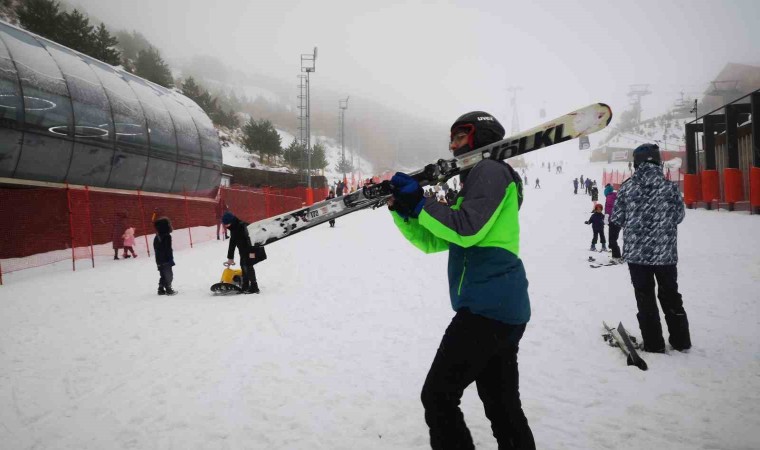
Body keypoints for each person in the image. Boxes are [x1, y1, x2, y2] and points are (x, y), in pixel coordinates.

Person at [387, 111, 534, 449]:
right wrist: (404, 211)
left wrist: (420, 203)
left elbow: (466, 229)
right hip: (500, 308)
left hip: (488, 309)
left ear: (481, 136)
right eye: (451, 139)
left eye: (460, 136)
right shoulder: (477, 183)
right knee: (502, 405)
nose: (453, 146)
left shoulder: (490, 170)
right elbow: (434, 240)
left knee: (438, 396)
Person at [611, 143, 691, 353]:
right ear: (658, 161)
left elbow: (617, 218)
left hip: (637, 258)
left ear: (636, 163)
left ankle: (654, 344)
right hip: (666, 255)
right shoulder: (670, 187)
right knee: (671, 295)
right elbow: (679, 217)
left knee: (645, 298)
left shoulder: (627, 188)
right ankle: (681, 340)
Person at [222, 211, 262, 294]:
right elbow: (232, 243)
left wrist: (252, 251)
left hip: (251, 250)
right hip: (243, 252)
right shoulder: (234, 228)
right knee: (243, 266)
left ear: (231, 221)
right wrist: (230, 258)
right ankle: (245, 285)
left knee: (248, 266)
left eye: (226, 224)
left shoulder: (243, 226)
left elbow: (253, 237)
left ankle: (254, 287)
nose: (225, 226)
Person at [153, 216, 177, 295]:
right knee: (169, 275)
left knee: (163, 275)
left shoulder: (157, 237)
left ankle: (160, 289)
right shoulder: (167, 236)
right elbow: (168, 249)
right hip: (166, 260)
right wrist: (170, 259)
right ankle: (168, 289)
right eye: (169, 224)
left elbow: (157, 249)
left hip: (159, 260)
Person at [604, 184, 622, 262]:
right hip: (617, 221)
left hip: (613, 221)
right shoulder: (615, 196)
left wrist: (606, 219)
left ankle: (617, 257)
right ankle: (615, 254)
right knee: (612, 239)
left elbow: (608, 210)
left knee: (612, 240)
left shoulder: (609, 197)